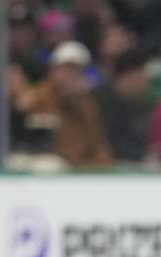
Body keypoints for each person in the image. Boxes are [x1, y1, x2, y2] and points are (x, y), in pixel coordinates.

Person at [21, 40, 114, 169]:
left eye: (76, 70)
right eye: (66, 68)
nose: (71, 74)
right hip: (48, 165)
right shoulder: (39, 95)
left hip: (80, 168)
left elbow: (98, 143)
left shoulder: (86, 103)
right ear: (53, 69)